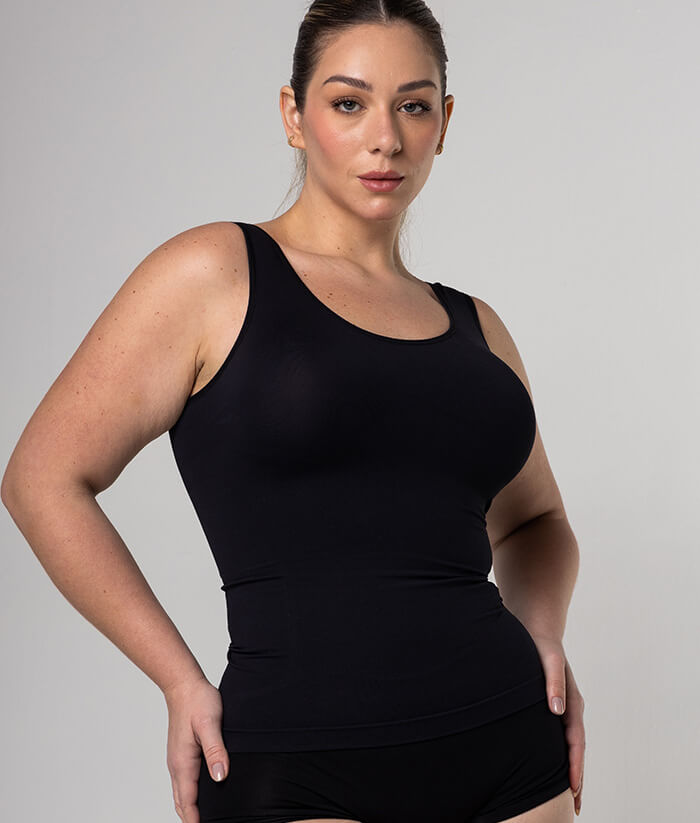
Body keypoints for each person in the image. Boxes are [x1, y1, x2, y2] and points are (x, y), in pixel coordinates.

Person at [1, 1, 586, 821]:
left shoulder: (475, 326)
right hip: (298, 760)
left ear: (444, 124)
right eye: (349, 103)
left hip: (508, 744)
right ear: (293, 116)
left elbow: (537, 521)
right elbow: (41, 478)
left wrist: (541, 634)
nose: (385, 137)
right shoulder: (215, 272)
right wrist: (177, 678)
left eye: (413, 105)